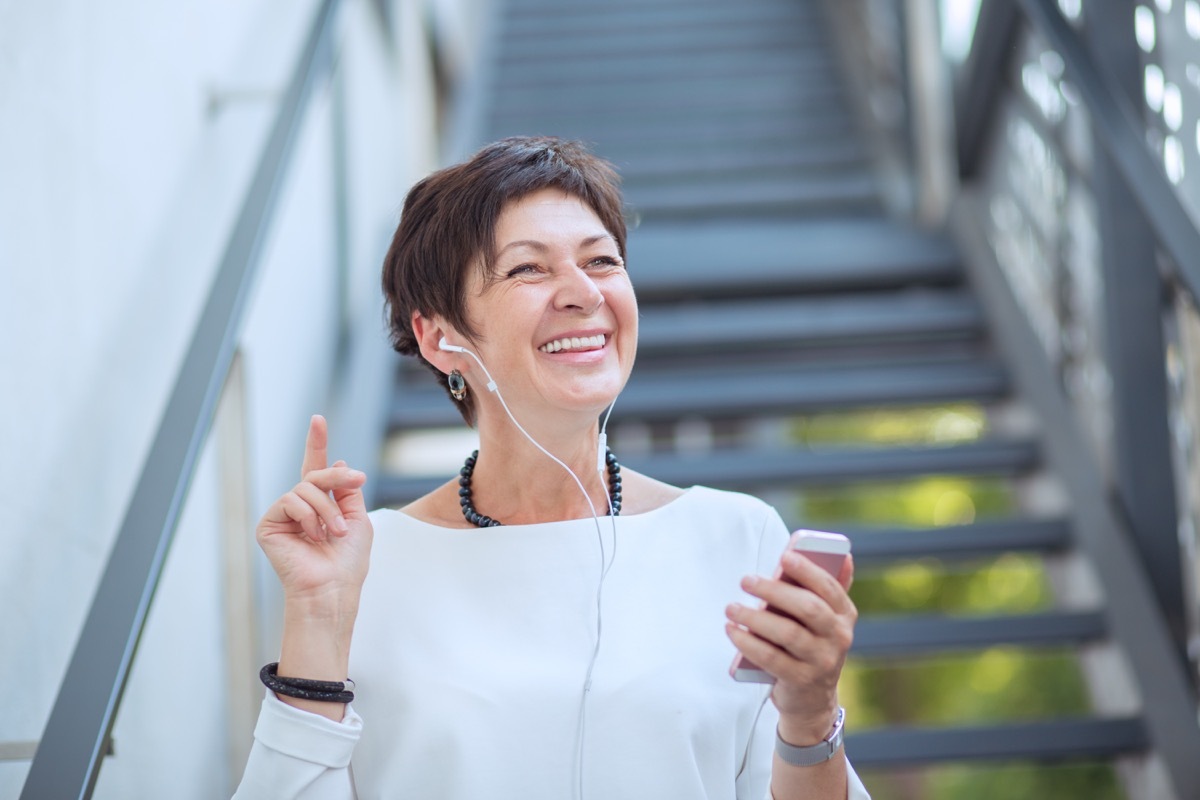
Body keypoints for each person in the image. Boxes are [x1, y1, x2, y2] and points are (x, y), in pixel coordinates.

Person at [234, 137, 870, 799]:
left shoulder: (738, 539)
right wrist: (316, 615)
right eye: (528, 270)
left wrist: (809, 717)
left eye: (602, 261)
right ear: (438, 337)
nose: (582, 293)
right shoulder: (361, 566)